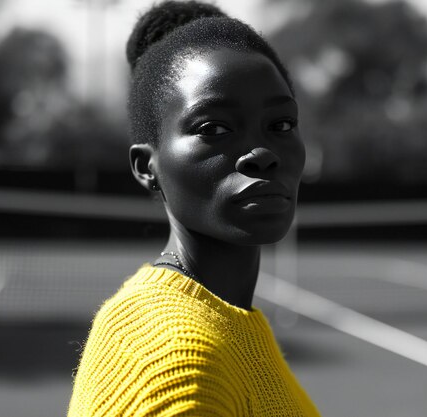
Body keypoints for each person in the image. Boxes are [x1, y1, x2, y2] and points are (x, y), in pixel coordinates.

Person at [68, 1, 320, 415]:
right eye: (213, 129)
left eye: (281, 125)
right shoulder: (172, 359)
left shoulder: (230, 322)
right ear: (146, 167)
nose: (262, 153)